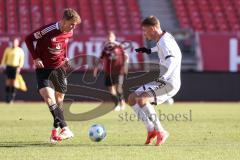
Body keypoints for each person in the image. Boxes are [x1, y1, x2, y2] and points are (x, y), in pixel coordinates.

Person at [25, 8, 81, 143]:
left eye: (75, 25)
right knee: (49, 98)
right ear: (63, 21)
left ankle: (54, 132)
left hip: (59, 68)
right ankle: (65, 128)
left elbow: (64, 44)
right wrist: (35, 57)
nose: (73, 27)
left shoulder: (69, 32)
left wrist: (65, 57)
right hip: (43, 68)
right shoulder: (47, 30)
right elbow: (28, 39)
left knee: (59, 100)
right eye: (71, 24)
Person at [128, 15, 182, 146]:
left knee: (142, 99)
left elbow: (172, 60)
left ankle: (161, 131)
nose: (144, 34)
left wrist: (163, 77)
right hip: (164, 80)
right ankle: (151, 130)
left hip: (169, 83)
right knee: (132, 98)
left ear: (152, 28)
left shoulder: (165, 42)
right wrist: (148, 50)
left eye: (145, 31)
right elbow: (161, 48)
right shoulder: (164, 37)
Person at [93, 31, 128, 111]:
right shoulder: (105, 48)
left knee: (118, 88)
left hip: (119, 70)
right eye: (108, 37)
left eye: (111, 37)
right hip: (109, 71)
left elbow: (126, 56)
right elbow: (100, 58)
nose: (109, 38)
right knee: (111, 89)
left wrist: (125, 66)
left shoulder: (119, 46)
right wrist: (95, 69)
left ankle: (122, 103)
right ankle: (116, 104)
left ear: (114, 37)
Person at [1, 38, 25, 103]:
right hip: (9, 67)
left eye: (15, 42)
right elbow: (4, 59)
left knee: (14, 82)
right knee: (8, 82)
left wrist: (19, 67)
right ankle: (7, 98)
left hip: (15, 68)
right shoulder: (8, 49)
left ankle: (12, 98)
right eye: (13, 42)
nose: (14, 43)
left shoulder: (20, 50)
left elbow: (21, 60)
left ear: (17, 43)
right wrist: (2, 66)